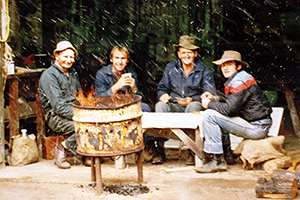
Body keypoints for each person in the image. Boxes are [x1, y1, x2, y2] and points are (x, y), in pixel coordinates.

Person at [195, 50, 273, 173]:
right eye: (223, 65)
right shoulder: (240, 77)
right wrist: (215, 98)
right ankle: (227, 155)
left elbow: (229, 109)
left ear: (238, 66)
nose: (225, 68)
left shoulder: (239, 81)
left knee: (209, 115)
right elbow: (234, 101)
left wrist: (209, 104)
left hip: (257, 128)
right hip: (257, 125)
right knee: (216, 113)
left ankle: (218, 161)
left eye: (229, 64)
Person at [155, 35, 217, 165]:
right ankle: (159, 151)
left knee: (193, 106)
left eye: (189, 52)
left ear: (195, 53)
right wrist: (163, 95)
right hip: (175, 105)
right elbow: (162, 87)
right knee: (160, 106)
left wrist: (192, 99)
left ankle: (191, 150)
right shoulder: (171, 68)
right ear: (178, 54)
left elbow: (209, 93)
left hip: (194, 106)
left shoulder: (204, 70)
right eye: (183, 52)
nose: (186, 56)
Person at [94, 45, 160, 162]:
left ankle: (146, 145)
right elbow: (99, 99)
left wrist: (134, 89)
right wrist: (116, 87)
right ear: (111, 59)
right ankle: (115, 148)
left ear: (127, 60)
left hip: (126, 106)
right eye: (117, 58)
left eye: (123, 58)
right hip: (109, 107)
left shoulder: (131, 74)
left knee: (145, 108)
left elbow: (138, 98)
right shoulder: (102, 74)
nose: (120, 62)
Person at [38, 41, 84, 169]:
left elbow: (79, 96)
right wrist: (81, 116)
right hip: (56, 117)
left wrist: (86, 109)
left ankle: (86, 154)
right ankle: (61, 148)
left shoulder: (73, 73)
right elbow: (59, 107)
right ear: (56, 56)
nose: (69, 60)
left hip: (74, 113)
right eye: (65, 56)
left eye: (71, 57)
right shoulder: (49, 76)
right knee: (85, 128)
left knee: (93, 124)